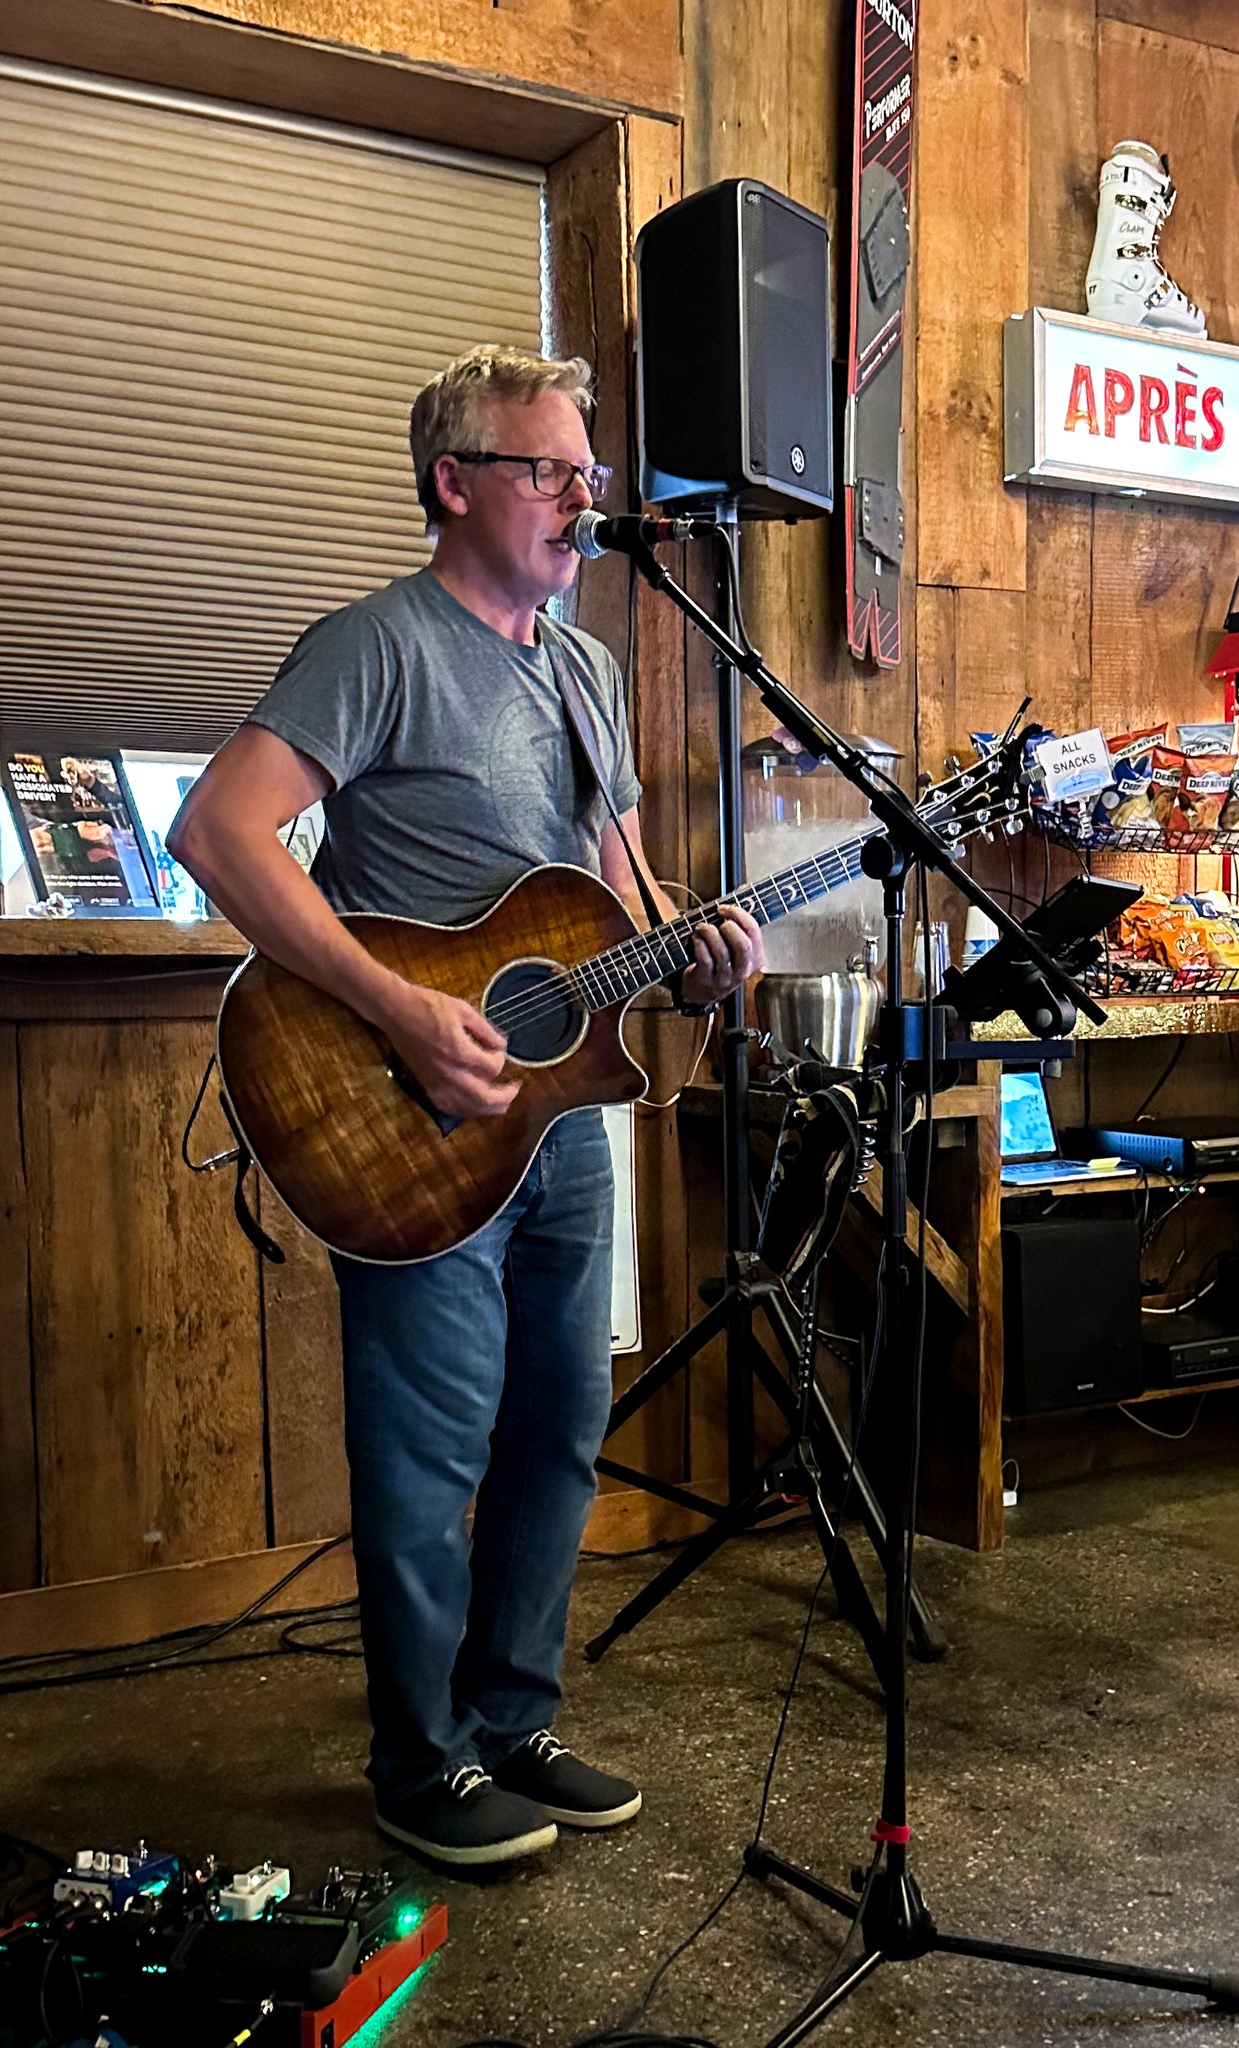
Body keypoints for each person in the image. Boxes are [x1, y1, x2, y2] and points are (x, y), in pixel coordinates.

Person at [167, 345, 762, 1866]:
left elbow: (619, 895)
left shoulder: (586, 673)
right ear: (455, 481)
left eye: (590, 475)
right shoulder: (376, 645)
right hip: (405, 1113)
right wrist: (398, 1008)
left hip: (562, 1117)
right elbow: (219, 832)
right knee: (430, 1454)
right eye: (550, 469)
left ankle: (512, 1722)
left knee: (560, 1428)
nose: (582, 497)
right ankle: (419, 1763)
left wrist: (697, 949)